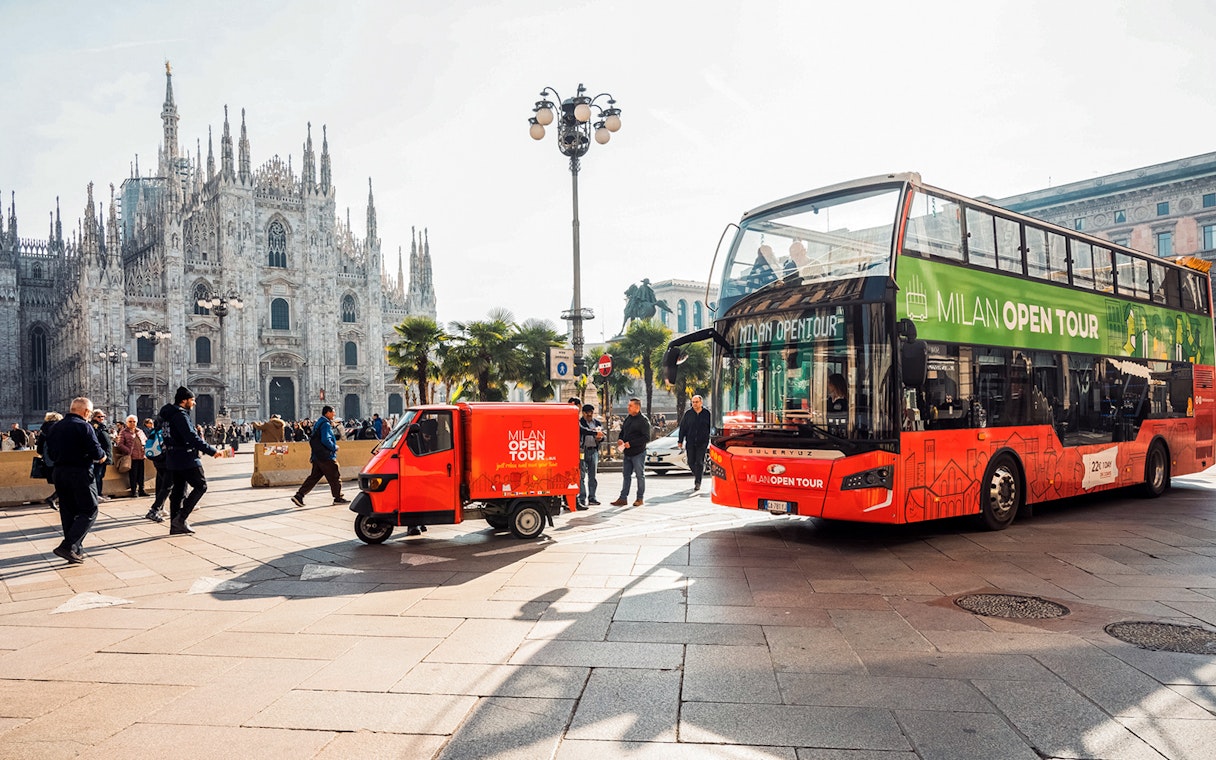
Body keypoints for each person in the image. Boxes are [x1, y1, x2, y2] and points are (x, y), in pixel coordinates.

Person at [44, 397, 107, 564]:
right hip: (79, 472)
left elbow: (49, 452)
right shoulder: (84, 426)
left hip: (59, 472)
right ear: (86, 412)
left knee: (68, 512)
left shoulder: (55, 426)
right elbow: (96, 452)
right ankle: (68, 545)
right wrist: (102, 456)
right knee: (89, 510)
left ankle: (75, 551)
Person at [161, 386, 223, 535]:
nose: (194, 403)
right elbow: (191, 437)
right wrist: (212, 451)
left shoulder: (166, 415)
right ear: (184, 400)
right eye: (192, 400)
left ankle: (175, 526)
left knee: (178, 492)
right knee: (201, 486)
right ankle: (181, 518)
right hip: (186, 457)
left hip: (172, 457)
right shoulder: (180, 415)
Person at [291, 405, 346, 507]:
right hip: (326, 456)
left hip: (317, 456)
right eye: (333, 412)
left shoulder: (319, 422)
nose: (334, 414)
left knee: (314, 477)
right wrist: (334, 447)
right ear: (328, 413)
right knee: (335, 475)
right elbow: (325, 439)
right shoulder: (325, 424)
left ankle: (299, 496)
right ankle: (338, 498)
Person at [611, 398, 651, 507]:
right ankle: (623, 498)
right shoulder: (628, 418)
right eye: (628, 405)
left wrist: (631, 443)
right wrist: (620, 439)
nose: (628, 407)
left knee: (640, 475)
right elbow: (623, 432)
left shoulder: (643, 421)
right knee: (626, 475)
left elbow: (646, 438)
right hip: (627, 453)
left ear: (637, 407)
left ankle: (640, 498)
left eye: (630, 406)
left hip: (638, 453)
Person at [678, 394, 712, 491]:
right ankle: (698, 474)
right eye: (693, 402)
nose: (695, 404)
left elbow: (710, 427)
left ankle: (698, 482)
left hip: (702, 442)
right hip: (690, 442)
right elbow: (682, 428)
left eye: (697, 402)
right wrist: (680, 441)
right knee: (690, 462)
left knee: (699, 462)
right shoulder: (688, 414)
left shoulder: (707, 413)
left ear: (701, 402)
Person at [143, 417, 170, 523]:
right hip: (166, 461)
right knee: (168, 485)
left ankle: (159, 508)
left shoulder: (154, 431)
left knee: (161, 484)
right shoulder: (164, 432)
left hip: (157, 461)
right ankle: (155, 509)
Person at [115, 415, 149, 498]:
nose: (132, 423)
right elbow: (120, 444)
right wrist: (128, 451)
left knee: (141, 474)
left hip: (141, 456)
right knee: (133, 475)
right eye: (130, 421)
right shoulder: (123, 432)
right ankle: (134, 491)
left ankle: (141, 489)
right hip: (131, 457)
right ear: (127, 423)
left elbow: (145, 441)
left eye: (134, 421)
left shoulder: (140, 431)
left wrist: (145, 449)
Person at [577, 404, 604, 509]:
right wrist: (594, 433)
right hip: (582, 450)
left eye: (591, 413)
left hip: (593, 450)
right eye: (588, 413)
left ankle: (592, 497)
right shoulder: (580, 422)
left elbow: (602, 435)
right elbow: (583, 431)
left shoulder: (597, 423)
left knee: (593, 476)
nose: (590, 415)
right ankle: (582, 498)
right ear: (583, 413)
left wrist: (599, 438)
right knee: (581, 475)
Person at [37, 412, 63, 510]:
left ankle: (55, 499)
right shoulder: (60, 428)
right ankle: (52, 498)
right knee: (66, 482)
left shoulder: (43, 430)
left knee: (59, 483)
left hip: (49, 461)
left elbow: (39, 449)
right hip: (61, 459)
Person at [89, 410, 113, 500]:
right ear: (93, 417)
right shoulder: (93, 426)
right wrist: (99, 455)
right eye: (99, 417)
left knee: (100, 475)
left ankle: (99, 494)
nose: (101, 418)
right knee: (97, 476)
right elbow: (95, 441)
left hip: (104, 456)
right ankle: (96, 495)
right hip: (99, 457)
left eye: (103, 416)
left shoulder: (102, 427)